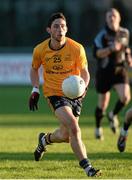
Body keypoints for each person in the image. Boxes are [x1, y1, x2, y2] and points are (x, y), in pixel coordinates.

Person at [28, 12, 101, 177]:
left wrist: (84, 88)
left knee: (66, 135)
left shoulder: (76, 48)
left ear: (66, 29)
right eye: (56, 26)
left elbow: (85, 72)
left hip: (74, 94)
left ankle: (44, 140)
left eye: (63, 26)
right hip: (54, 94)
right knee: (75, 127)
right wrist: (35, 89)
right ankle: (88, 168)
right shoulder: (40, 50)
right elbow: (34, 69)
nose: (60, 29)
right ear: (49, 30)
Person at [93, 8, 132, 140]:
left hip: (120, 70)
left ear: (119, 18)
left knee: (125, 97)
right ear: (106, 19)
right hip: (104, 71)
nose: (112, 18)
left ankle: (112, 115)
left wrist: (128, 58)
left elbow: (126, 48)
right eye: (109, 16)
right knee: (102, 104)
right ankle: (98, 128)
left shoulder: (124, 32)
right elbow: (96, 53)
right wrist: (110, 49)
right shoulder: (101, 35)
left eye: (114, 15)